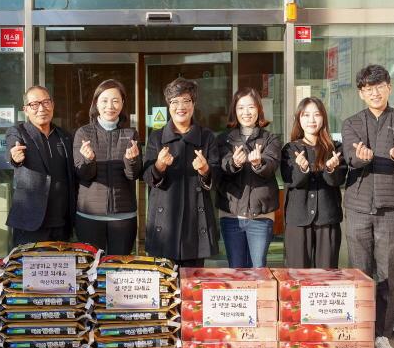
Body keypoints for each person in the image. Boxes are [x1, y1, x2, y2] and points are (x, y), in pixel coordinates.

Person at [342, 64, 394, 348]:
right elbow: (350, 155)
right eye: (368, 88)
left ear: (389, 87)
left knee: (387, 274)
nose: (374, 92)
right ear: (361, 93)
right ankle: (360, 331)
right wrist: (360, 159)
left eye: (379, 86)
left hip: (390, 209)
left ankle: (383, 335)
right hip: (358, 207)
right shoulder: (351, 123)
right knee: (360, 273)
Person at [143, 78, 219, 267]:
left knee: (192, 284)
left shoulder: (207, 137)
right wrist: (159, 165)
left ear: (193, 104)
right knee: (165, 287)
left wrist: (205, 169)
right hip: (164, 220)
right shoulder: (157, 137)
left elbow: (218, 177)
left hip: (195, 219)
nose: (180, 106)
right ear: (169, 105)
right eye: (175, 101)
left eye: (186, 101)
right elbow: (146, 176)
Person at [73, 80, 142, 255]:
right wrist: (88, 160)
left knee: (119, 270)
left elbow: (133, 176)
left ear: (122, 104)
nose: (110, 106)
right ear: (96, 103)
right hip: (89, 216)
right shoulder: (83, 133)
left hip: (123, 216)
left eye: (115, 100)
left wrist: (131, 160)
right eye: (104, 100)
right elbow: (82, 174)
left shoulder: (130, 134)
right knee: (91, 272)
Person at [216, 88, 281, 268]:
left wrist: (258, 163)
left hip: (261, 216)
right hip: (231, 216)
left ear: (259, 110)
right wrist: (234, 164)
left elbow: (272, 166)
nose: (246, 113)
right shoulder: (224, 140)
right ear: (234, 111)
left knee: (258, 269)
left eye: (251, 107)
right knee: (236, 269)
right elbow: (221, 166)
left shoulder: (270, 139)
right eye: (241, 108)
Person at [6, 86, 76, 247]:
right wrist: (15, 157)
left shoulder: (64, 136)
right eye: (35, 104)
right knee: (28, 270)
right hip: (30, 221)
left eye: (46, 102)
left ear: (52, 105)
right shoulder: (18, 132)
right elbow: (12, 152)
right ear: (26, 110)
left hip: (61, 221)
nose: (42, 108)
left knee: (60, 270)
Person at [281, 97, 346, 268]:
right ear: (299, 119)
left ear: (323, 118)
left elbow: (338, 180)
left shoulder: (336, 149)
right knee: (297, 276)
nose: (311, 120)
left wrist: (331, 169)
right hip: (298, 220)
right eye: (306, 115)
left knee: (326, 276)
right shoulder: (290, 149)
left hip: (327, 219)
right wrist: (301, 169)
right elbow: (291, 180)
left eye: (316, 115)